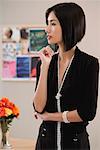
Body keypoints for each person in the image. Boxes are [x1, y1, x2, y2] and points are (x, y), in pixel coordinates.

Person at [33, 2, 99, 150]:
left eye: (53, 24)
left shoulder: (89, 64)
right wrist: (44, 67)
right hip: (45, 142)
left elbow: (87, 113)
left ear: (69, 25)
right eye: (47, 24)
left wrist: (49, 116)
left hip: (75, 143)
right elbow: (38, 107)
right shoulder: (44, 63)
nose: (47, 29)